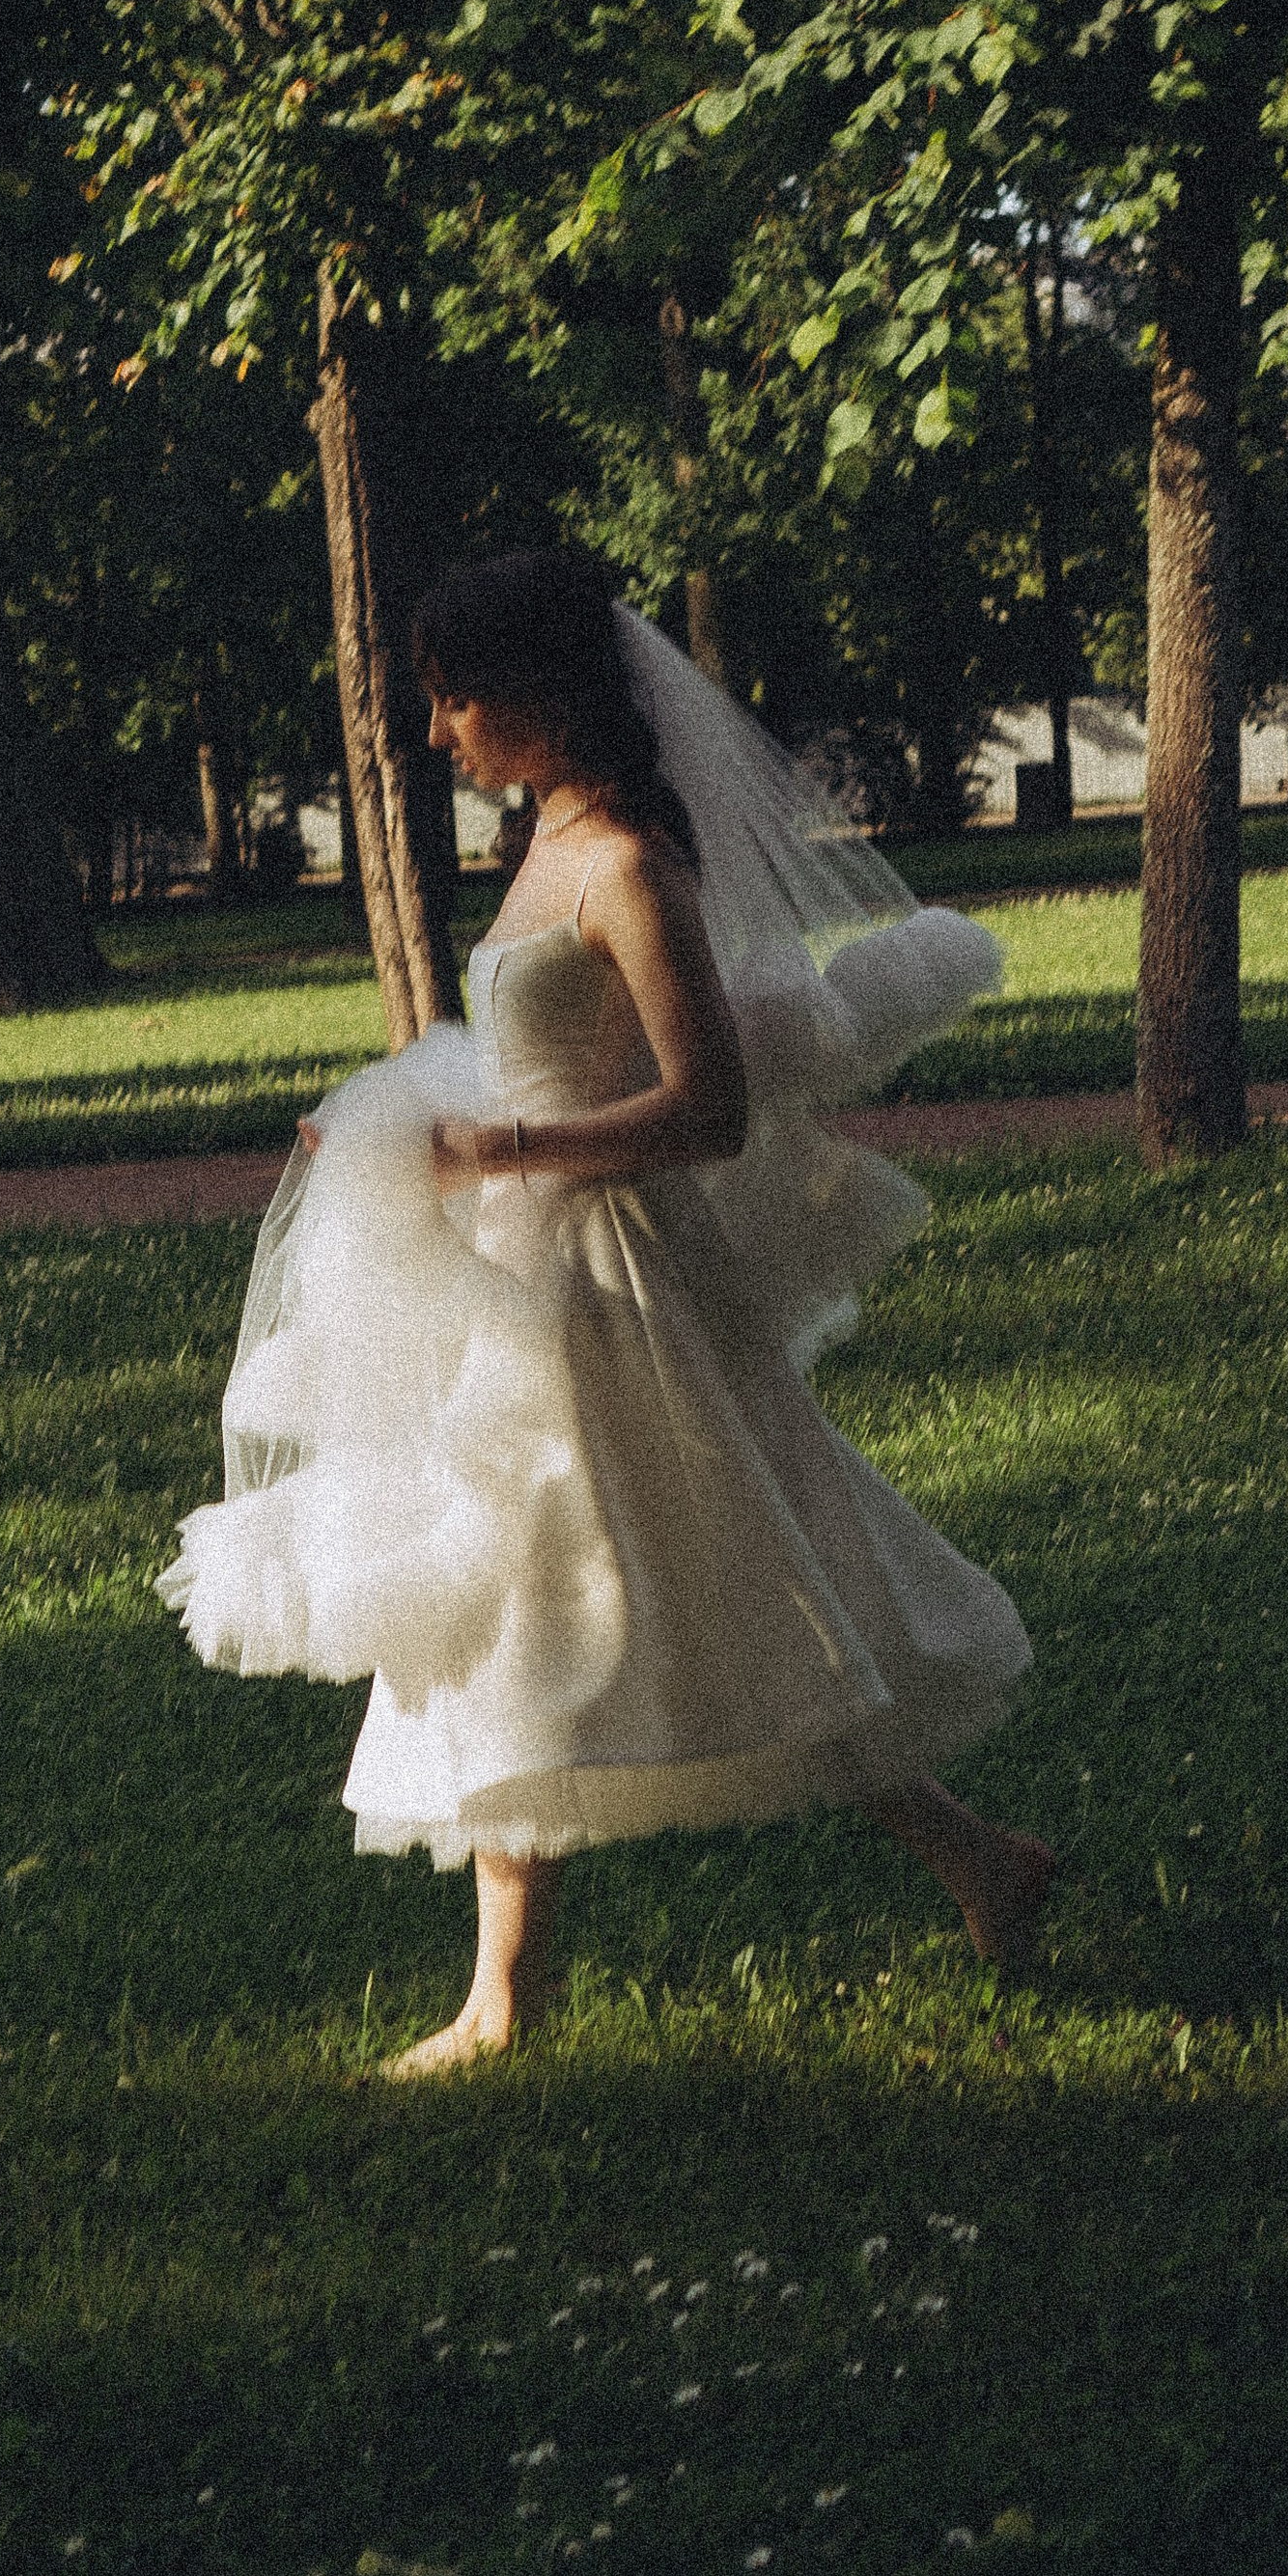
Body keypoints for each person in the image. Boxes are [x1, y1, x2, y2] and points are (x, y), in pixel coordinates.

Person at [158, 551, 1054, 2076]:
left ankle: (523, 2002)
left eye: (458, 701)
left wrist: (491, 1150)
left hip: (610, 1273)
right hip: (528, 1260)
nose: (438, 732)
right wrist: (403, 1124)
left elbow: (702, 1112)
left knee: (651, 1585)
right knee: (599, 1585)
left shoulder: (631, 865)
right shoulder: (551, 843)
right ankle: (966, 1863)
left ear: (541, 697)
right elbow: (537, 1055)